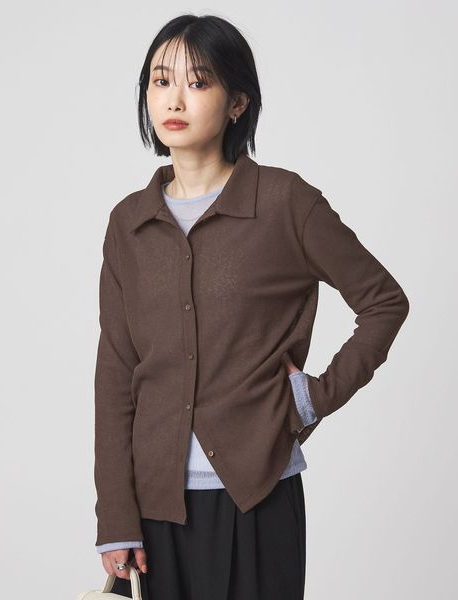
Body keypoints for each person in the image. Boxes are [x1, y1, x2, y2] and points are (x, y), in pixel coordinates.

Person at [92, 13, 410, 600]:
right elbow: (115, 372)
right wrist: (114, 515)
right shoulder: (128, 224)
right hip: (155, 509)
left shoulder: (286, 203)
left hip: (257, 498)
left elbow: (384, 302)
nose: (175, 98)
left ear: (238, 102)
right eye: (161, 80)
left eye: (199, 81)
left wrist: (314, 398)